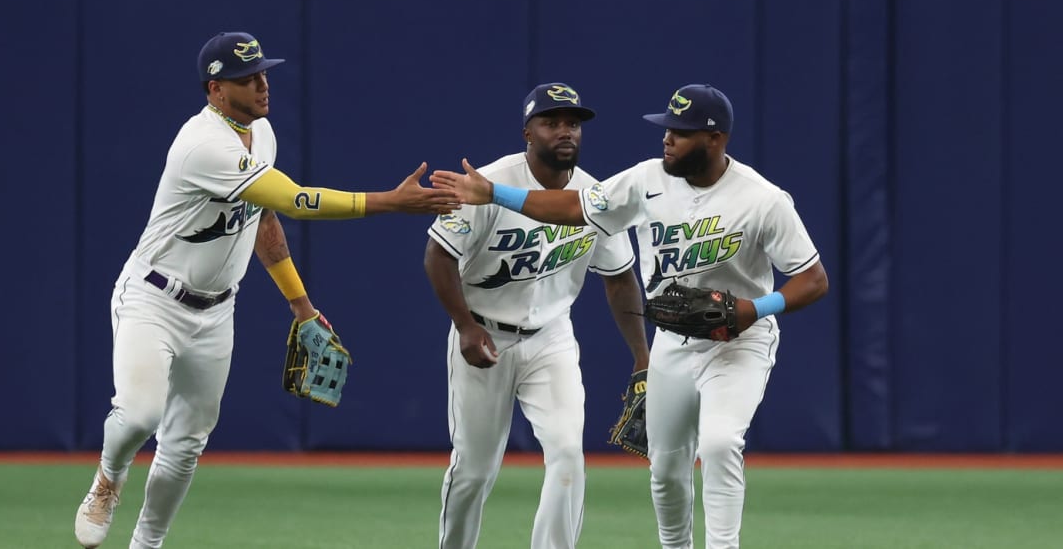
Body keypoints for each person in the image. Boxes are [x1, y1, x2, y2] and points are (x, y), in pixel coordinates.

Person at [74, 31, 458, 549]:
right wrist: (389, 201)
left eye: (263, 74)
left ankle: (147, 544)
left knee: (186, 445)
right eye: (246, 78)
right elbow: (298, 200)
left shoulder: (263, 133)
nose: (262, 85)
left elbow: (264, 218)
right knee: (140, 414)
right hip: (154, 298)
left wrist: (301, 305)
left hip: (215, 312)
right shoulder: (201, 144)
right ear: (215, 90)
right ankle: (107, 478)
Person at [431, 83, 829, 549]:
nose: (667, 139)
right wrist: (494, 196)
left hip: (726, 340)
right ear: (527, 131)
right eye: (667, 129)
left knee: (708, 444)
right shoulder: (643, 181)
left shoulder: (763, 199)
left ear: (714, 139)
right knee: (659, 469)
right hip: (656, 339)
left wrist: (753, 309)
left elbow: (813, 278)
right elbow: (572, 209)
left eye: (679, 132)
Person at [426, 83, 651, 549]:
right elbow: (438, 256)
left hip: (551, 336)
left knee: (568, 453)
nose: (564, 131)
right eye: (551, 122)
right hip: (484, 333)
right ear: (528, 131)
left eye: (573, 123)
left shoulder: (594, 195)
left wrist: (642, 357)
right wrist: (466, 326)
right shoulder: (486, 183)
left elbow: (619, 278)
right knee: (473, 467)